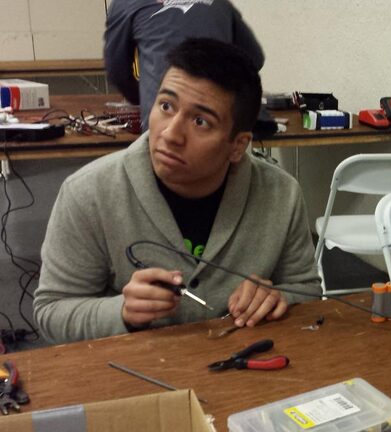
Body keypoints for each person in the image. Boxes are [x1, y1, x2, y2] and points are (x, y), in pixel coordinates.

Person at [34, 38, 321, 344]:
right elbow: (51, 312)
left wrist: (276, 297)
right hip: (134, 371)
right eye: (166, 106)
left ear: (238, 145)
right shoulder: (88, 193)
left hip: (245, 365)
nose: (170, 134)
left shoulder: (280, 194)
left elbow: (307, 291)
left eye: (200, 121)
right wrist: (122, 312)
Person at [104, 0, 264, 129]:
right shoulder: (220, 3)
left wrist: (144, 99)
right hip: (219, 122)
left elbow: (118, 72)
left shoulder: (126, 3)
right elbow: (254, 59)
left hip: (164, 121)